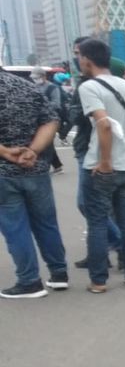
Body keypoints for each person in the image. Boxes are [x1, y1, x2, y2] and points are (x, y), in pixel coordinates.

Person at [74, 38, 125, 293]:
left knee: (97, 222)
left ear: (87, 59)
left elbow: (104, 124)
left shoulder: (90, 87)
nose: (78, 61)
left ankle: (98, 280)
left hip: (101, 167)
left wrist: (105, 162)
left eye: (79, 57)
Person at [0, 64, 68, 298]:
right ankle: (59, 273)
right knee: (46, 222)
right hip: (36, 168)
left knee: (15, 227)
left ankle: (29, 281)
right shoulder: (26, 87)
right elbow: (51, 120)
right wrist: (33, 151)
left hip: (4, 173)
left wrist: (6, 152)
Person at [30, 68, 65, 173]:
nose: (35, 80)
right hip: (37, 120)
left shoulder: (52, 88)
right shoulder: (33, 87)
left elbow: (56, 104)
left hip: (50, 120)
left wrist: (41, 106)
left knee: (47, 144)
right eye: (34, 78)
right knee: (46, 143)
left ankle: (48, 166)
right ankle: (57, 165)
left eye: (37, 78)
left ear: (44, 77)